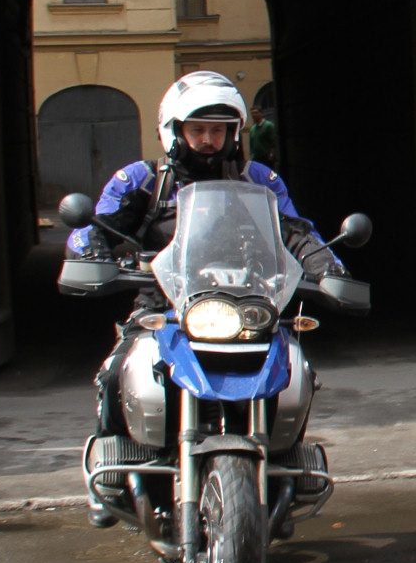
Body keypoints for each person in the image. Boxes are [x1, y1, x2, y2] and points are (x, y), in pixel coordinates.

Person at [68, 71, 342, 444]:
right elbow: (94, 225)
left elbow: (295, 230)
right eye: (198, 130)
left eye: (219, 130)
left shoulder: (258, 179)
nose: (208, 140)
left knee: (296, 370)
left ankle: (285, 457)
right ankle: (115, 466)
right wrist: (90, 254)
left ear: (234, 133)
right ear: (175, 131)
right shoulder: (143, 180)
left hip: (248, 305)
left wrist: (327, 267)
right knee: (118, 372)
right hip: (162, 305)